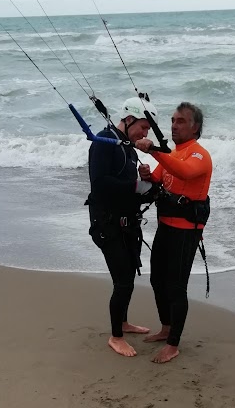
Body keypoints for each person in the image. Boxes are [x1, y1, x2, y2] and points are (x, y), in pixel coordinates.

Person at [135, 102, 212, 364]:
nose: (174, 125)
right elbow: (158, 178)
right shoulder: (173, 153)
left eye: (181, 121)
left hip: (185, 233)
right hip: (165, 227)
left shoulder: (198, 155)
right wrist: (146, 172)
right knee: (157, 280)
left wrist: (154, 152)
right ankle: (166, 327)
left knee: (176, 287)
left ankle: (173, 344)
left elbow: (185, 172)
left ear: (195, 127)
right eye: (172, 120)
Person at [87, 95, 159, 357]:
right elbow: (100, 184)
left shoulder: (126, 146)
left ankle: (123, 323)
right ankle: (116, 337)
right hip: (107, 224)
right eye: (142, 127)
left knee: (129, 275)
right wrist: (136, 186)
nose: (144, 133)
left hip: (127, 224)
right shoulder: (103, 142)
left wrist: (142, 180)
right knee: (123, 281)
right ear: (128, 120)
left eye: (147, 129)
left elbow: (127, 183)